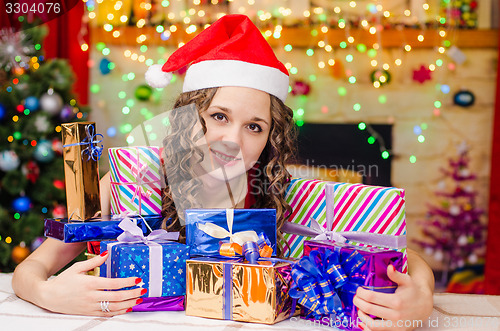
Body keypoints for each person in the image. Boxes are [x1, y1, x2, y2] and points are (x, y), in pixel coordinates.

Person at [12, 14, 434, 330]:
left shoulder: (277, 193)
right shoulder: (133, 180)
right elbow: (31, 269)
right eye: (218, 116)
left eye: (254, 126)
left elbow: (403, 255)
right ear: (187, 117)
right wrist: (48, 292)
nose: (233, 139)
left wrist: (423, 295)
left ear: (270, 139)